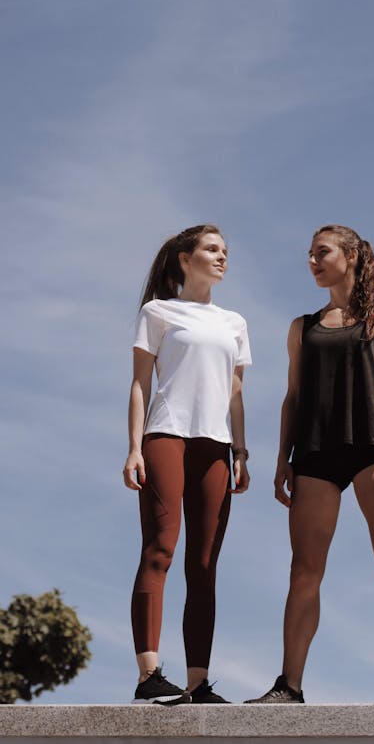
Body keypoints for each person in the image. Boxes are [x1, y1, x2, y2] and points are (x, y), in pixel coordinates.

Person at [245, 224, 374, 705]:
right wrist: (282, 459)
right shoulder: (301, 328)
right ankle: (289, 685)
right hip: (314, 454)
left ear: (350, 256)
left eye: (321, 252)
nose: (312, 260)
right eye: (309, 254)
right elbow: (292, 397)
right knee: (304, 570)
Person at [123, 224, 251, 705]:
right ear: (185, 258)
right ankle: (149, 674)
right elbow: (139, 384)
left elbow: (236, 393)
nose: (222, 258)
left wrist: (241, 450)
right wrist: (134, 448)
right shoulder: (158, 312)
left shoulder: (234, 322)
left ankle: (198, 684)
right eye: (212, 249)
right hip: (166, 434)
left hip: (215, 446)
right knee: (160, 549)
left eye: (225, 251)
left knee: (204, 565)